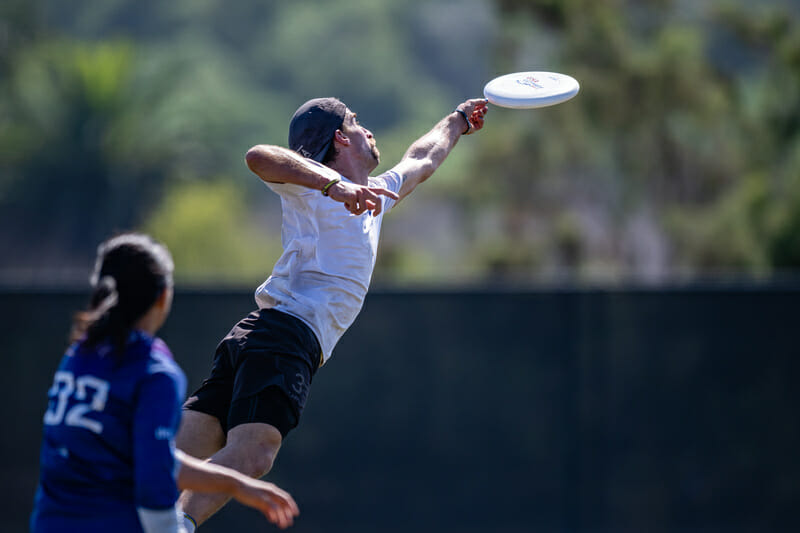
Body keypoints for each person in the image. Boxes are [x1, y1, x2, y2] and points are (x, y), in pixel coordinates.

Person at [176, 97, 489, 529]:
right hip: (285, 337)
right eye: (357, 122)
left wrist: (457, 121)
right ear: (340, 138)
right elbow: (259, 157)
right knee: (255, 452)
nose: (367, 129)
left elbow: (423, 157)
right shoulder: (310, 187)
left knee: (180, 454)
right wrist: (333, 185)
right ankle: (175, 525)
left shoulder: (377, 196)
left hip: (259, 333)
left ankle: (114, 510)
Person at [30, 233, 299, 533]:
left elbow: (152, 459)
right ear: (162, 296)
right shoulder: (154, 372)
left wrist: (235, 483)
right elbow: (154, 478)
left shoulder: (78, 355)